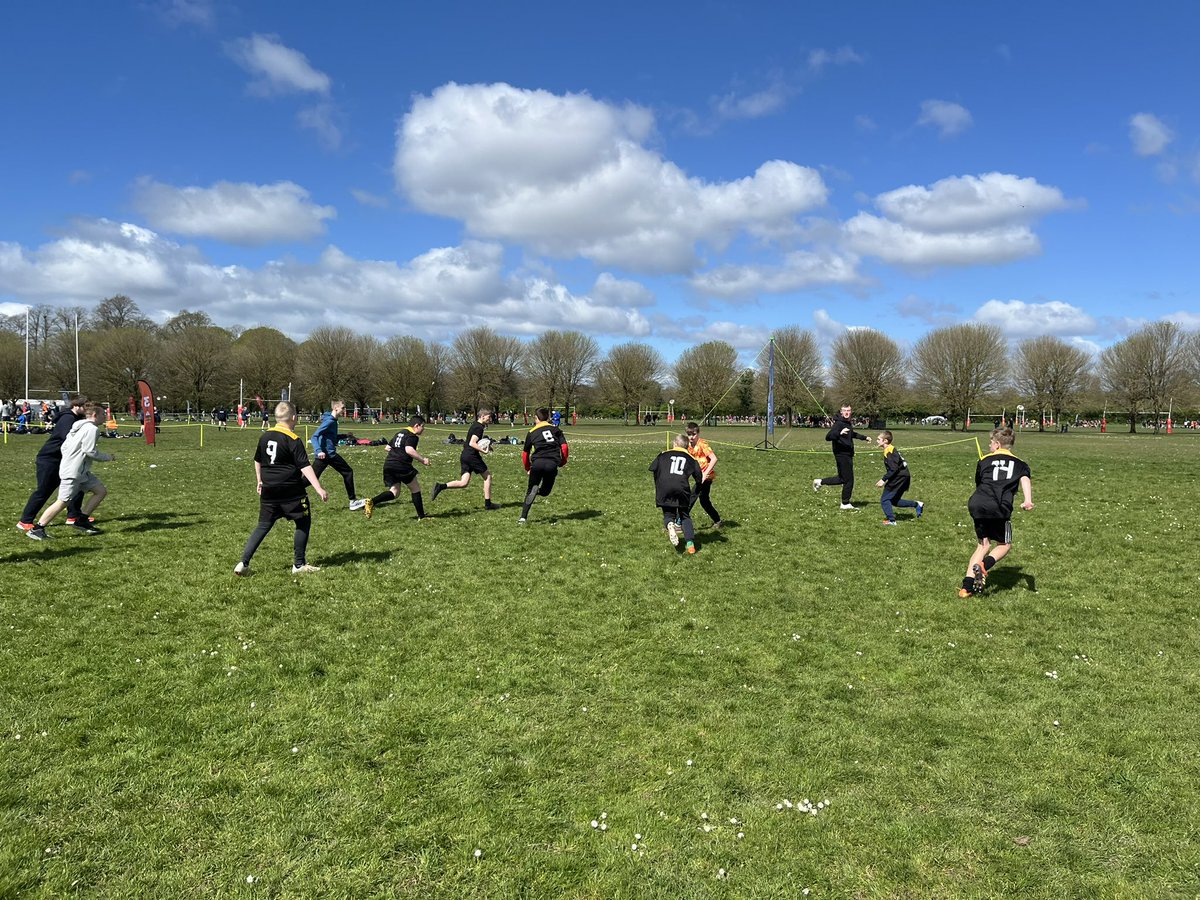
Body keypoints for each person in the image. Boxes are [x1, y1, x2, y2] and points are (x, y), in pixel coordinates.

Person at [233, 401, 329, 576]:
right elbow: (305, 466)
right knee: (303, 522)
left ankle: (243, 563)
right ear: (293, 417)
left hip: (269, 489)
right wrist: (318, 488)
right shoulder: (293, 439)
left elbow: (257, 460)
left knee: (263, 525)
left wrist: (259, 481)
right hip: (291, 490)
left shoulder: (264, 436)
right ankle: (299, 565)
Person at [958, 426, 1033, 598]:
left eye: (991, 443)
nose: (990, 446)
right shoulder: (1020, 464)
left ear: (997, 444)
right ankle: (984, 566)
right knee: (1004, 545)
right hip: (999, 507)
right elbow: (1025, 480)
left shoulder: (984, 461)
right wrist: (1027, 500)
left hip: (977, 503)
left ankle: (966, 588)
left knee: (983, 545)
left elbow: (979, 482)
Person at [27, 402, 115, 540]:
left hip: (80, 471)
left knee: (100, 491)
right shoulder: (92, 429)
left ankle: (81, 520)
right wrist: (108, 457)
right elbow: (90, 450)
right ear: (94, 415)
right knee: (63, 501)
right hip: (74, 472)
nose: (105, 417)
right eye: (103, 414)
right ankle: (38, 528)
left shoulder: (77, 427)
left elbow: (65, 447)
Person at [18, 395, 89, 533]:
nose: (87, 409)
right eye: (84, 406)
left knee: (76, 486)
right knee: (44, 490)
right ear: (76, 406)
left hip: (64, 459)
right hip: (49, 459)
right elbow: (67, 438)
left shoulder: (77, 419)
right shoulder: (68, 418)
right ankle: (25, 521)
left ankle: (73, 516)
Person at [430, 408, 501, 510]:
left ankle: (440, 486)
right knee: (487, 476)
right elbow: (472, 443)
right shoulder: (479, 427)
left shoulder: (475, 425)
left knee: (464, 483)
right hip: (472, 456)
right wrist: (483, 451)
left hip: (465, 455)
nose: (490, 419)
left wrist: (486, 446)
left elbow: (474, 442)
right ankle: (488, 504)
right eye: (488, 417)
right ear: (482, 416)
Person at [364, 415, 431, 520]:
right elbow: (409, 450)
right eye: (423, 426)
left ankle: (372, 501)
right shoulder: (412, 436)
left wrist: (396, 454)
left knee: (395, 492)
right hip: (401, 465)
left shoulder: (400, 433)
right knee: (415, 489)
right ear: (416, 426)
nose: (424, 429)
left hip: (389, 464)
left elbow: (387, 448)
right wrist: (423, 460)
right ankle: (421, 516)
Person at [650, 434, 704, 554]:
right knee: (684, 515)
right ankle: (690, 545)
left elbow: (653, 468)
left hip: (664, 487)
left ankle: (670, 523)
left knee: (668, 513)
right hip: (681, 488)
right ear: (687, 447)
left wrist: (659, 484)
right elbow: (699, 478)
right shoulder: (691, 458)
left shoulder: (663, 454)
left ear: (674, 444)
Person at [310, 399, 366, 510]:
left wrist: (345, 436)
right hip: (327, 455)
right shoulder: (329, 421)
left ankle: (289, 495)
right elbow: (314, 436)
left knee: (309, 479)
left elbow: (331, 437)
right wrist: (318, 450)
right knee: (348, 472)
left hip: (326, 455)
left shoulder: (333, 420)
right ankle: (353, 502)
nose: (344, 410)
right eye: (343, 408)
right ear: (336, 408)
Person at [813, 404, 869, 509]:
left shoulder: (846, 423)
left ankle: (819, 482)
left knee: (842, 478)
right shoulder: (838, 424)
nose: (847, 412)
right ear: (841, 412)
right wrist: (839, 433)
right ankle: (845, 503)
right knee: (849, 480)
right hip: (842, 454)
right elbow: (828, 437)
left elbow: (852, 434)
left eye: (849, 410)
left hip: (847, 454)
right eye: (845, 410)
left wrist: (864, 438)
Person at [519, 407, 568, 524]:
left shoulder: (531, 432)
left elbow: (525, 453)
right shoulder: (556, 430)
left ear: (536, 418)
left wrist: (527, 467)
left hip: (537, 463)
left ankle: (523, 518)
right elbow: (565, 447)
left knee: (530, 490)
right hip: (552, 463)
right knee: (545, 492)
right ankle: (538, 491)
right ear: (548, 418)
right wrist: (563, 461)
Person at [874, 430, 923, 525]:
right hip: (904, 476)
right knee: (894, 501)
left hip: (899, 477)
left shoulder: (889, 451)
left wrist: (883, 480)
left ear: (885, 441)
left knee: (885, 500)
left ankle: (891, 520)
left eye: (878, 439)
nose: (877, 441)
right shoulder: (890, 449)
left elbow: (894, 468)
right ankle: (917, 504)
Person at [685, 421, 722, 528]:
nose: (691, 437)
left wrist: (705, 473)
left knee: (691, 497)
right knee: (704, 500)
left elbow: (714, 459)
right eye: (689, 434)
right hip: (698, 475)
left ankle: (679, 522)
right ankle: (717, 520)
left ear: (698, 434)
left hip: (706, 476)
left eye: (694, 434)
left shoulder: (702, 444)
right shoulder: (688, 446)